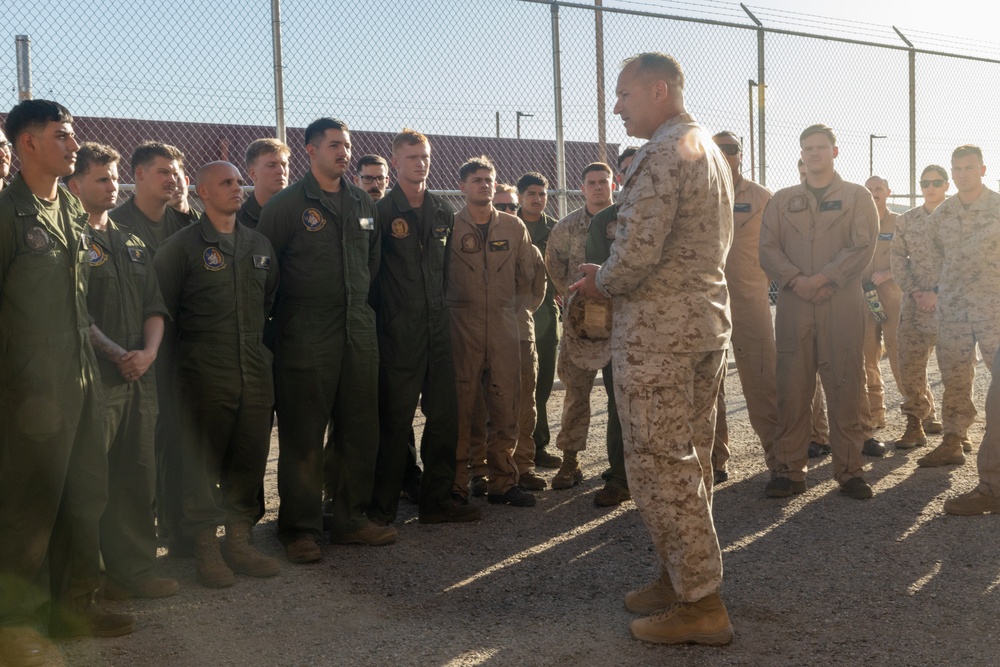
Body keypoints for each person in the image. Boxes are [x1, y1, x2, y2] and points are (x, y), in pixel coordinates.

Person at [573, 52, 733, 646]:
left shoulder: (663, 152)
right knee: (687, 455)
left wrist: (600, 278)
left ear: (658, 90)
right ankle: (678, 576)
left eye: (624, 95)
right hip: (700, 327)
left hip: (661, 337)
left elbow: (636, 253)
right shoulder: (707, 148)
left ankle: (701, 604)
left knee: (662, 462)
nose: (617, 106)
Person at [0, 101, 134, 665]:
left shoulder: (71, 213)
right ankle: (16, 627)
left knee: (85, 496)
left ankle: (77, 604)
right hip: (28, 392)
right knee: (28, 510)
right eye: (62, 135)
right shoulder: (8, 214)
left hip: (80, 382)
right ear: (28, 143)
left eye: (72, 134)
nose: (73, 144)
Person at [258, 118, 393, 563]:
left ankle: (350, 519)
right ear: (311, 150)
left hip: (357, 328)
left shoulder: (361, 201)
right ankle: (299, 528)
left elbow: (369, 265)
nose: (344, 152)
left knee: (358, 428)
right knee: (304, 431)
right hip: (305, 332)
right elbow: (265, 270)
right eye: (335, 145)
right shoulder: (286, 204)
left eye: (347, 145)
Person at [154, 161, 281, 588]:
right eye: (226, 183)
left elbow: (268, 304)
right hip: (201, 374)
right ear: (202, 191)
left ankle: (239, 542)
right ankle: (206, 548)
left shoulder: (259, 244)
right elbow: (163, 316)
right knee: (200, 463)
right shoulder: (181, 247)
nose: (236, 189)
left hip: (253, 371)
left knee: (249, 457)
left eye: (237, 182)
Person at [66, 143, 178, 601]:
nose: (113, 186)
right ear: (75, 186)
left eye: (115, 178)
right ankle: (86, 582)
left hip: (139, 379)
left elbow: (155, 305)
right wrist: (117, 354)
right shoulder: (70, 239)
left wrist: (147, 353)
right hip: (95, 381)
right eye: (101, 179)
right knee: (91, 482)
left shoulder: (131, 240)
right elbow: (73, 309)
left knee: (137, 475)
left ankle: (133, 571)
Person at [366, 128, 480, 525]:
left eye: (425, 156)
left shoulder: (442, 211)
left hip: (437, 330)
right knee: (394, 421)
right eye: (413, 157)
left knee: (445, 417)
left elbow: (447, 272)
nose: (421, 163)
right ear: (395, 162)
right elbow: (371, 279)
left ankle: (436, 501)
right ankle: (381, 508)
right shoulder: (380, 214)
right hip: (397, 333)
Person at [759, 124, 878, 500]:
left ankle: (850, 471)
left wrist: (826, 278)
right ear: (801, 154)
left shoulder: (857, 197)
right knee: (792, 389)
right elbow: (768, 249)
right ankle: (789, 471)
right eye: (807, 148)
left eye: (821, 147)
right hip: (795, 303)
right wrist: (797, 280)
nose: (814, 154)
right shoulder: (782, 200)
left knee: (845, 385)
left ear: (835, 152)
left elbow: (863, 245)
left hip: (841, 301)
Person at [448, 155, 544, 508]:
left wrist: (516, 309)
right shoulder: (450, 226)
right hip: (463, 327)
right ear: (462, 186)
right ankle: (461, 481)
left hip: (504, 327)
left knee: (507, 403)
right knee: (464, 407)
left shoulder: (513, 227)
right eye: (476, 180)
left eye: (489, 179)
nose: (484, 185)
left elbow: (531, 276)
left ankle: (504, 480)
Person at [112, 141, 193, 556]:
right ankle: (137, 544)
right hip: (137, 352)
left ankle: (179, 532)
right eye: (162, 171)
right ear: (139, 175)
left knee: (179, 440)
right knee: (141, 449)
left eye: (176, 171)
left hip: (183, 350)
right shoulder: (115, 224)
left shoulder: (185, 224)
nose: (173, 178)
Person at [916, 145, 1000, 468]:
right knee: (954, 373)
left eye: (969, 167)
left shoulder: (996, 207)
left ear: (982, 169)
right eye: (957, 169)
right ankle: (953, 440)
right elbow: (935, 255)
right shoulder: (943, 215)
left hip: (992, 307)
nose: (963, 174)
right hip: (953, 309)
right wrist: (943, 289)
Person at [710, 131, 779, 483]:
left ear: (741, 154)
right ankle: (715, 460)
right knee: (710, 384)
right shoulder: (699, 193)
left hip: (750, 301)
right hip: (708, 302)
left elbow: (778, 245)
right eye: (717, 148)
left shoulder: (761, 198)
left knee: (763, 379)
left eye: (730, 149)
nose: (724, 154)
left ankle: (779, 460)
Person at [546, 163, 616, 491]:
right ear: (583, 187)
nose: (598, 187)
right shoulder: (567, 226)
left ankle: (625, 466)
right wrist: (571, 296)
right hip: (581, 326)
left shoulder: (626, 220)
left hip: (622, 320)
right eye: (592, 182)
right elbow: (554, 263)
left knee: (626, 395)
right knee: (576, 391)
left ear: (612, 183)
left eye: (603, 181)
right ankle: (570, 461)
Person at [582, 147, 639, 507]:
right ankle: (619, 478)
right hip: (620, 327)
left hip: (664, 324)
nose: (634, 176)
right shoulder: (605, 220)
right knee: (619, 401)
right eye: (627, 171)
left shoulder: (668, 212)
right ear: (621, 178)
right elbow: (595, 277)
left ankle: (657, 478)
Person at [890, 166, 948, 448]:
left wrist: (936, 293)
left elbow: (964, 262)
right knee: (911, 365)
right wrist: (915, 292)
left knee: (956, 369)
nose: (930, 187)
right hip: (914, 305)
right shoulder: (907, 220)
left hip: (949, 305)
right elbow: (898, 259)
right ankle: (915, 424)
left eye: (936, 182)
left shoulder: (956, 218)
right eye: (925, 183)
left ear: (946, 185)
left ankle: (956, 432)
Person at [516, 172, 563, 470]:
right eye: (532, 193)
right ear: (521, 196)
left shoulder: (555, 229)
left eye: (542, 194)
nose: (537, 199)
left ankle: (538, 445)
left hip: (545, 313)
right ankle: (511, 448)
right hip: (512, 311)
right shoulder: (507, 223)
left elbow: (565, 264)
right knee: (513, 385)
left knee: (542, 383)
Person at [857, 175, 901, 457]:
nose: (874, 194)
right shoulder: (858, 222)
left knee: (900, 355)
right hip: (864, 296)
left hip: (893, 295)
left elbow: (912, 257)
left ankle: (921, 412)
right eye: (869, 190)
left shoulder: (900, 222)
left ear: (887, 192)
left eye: (878, 189)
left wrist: (889, 273)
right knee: (867, 357)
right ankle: (876, 414)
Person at [238, 138, 291, 229]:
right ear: (253, 174)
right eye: (271, 165)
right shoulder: (237, 221)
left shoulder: (303, 212)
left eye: (284, 164)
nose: (281, 171)